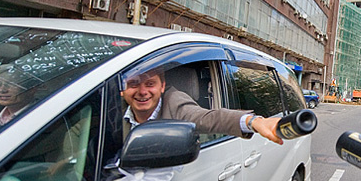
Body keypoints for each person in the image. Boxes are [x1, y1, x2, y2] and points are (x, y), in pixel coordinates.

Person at [121, 67, 283, 144]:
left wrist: (253, 122)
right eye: (134, 84)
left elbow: (211, 118)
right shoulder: (110, 110)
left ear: (162, 87)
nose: (142, 91)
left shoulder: (175, 103)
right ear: (122, 90)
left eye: (150, 84)